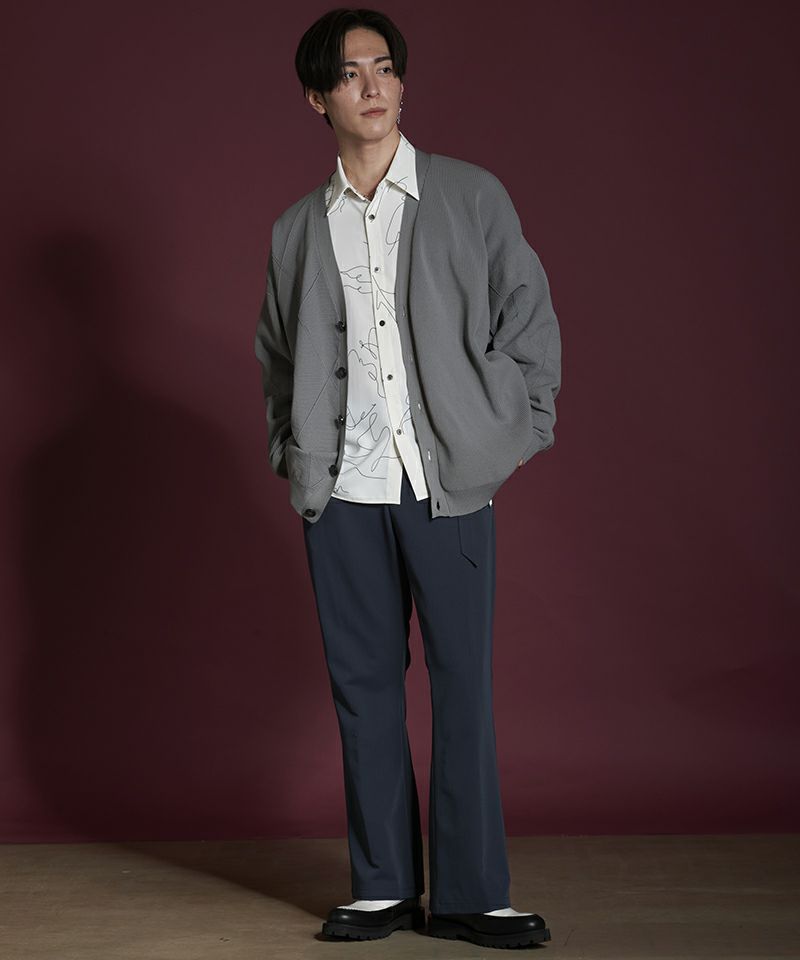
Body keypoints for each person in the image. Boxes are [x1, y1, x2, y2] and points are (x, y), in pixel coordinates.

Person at [254, 7, 561, 949]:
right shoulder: (297, 230)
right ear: (318, 98)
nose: (374, 86)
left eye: (385, 68)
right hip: (342, 494)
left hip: (448, 486)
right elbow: (278, 358)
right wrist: (297, 456)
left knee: (464, 685)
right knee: (364, 690)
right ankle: (382, 886)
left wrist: (511, 433)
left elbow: (529, 319)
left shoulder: (469, 196)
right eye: (351, 74)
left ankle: (471, 893)